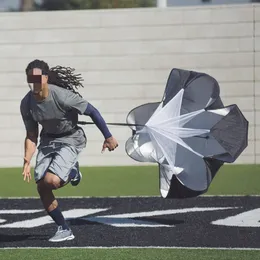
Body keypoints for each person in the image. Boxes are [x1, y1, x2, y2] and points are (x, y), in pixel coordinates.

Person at [20, 59, 118, 242]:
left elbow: (92, 112)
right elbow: (32, 134)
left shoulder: (62, 96)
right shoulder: (27, 103)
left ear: (46, 78)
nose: (33, 83)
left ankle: (72, 171)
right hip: (48, 140)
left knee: (53, 180)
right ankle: (63, 228)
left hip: (70, 138)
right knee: (42, 186)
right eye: (30, 79)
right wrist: (26, 160)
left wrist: (108, 136)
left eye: (37, 78)